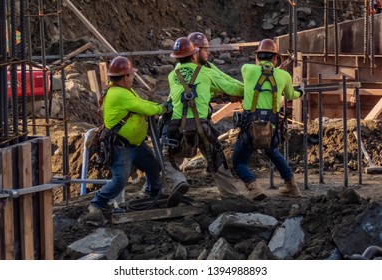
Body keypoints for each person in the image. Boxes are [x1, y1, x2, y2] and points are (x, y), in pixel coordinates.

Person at [85, 56, 168, 221]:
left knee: (153, 166)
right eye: (131, 75)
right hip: (121, 146)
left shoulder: (125, 90)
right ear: (124, 77)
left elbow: (140, 102)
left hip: (135, 144)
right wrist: (162, 108)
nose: (132, 78)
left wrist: (157, 107)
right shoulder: (118, 94)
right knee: (120, 180)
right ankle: (97, 203)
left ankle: (152, 192)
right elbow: (143, 107)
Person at [163, 37, 244, 204]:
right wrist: (249, 91)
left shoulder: (172, 75)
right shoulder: (205, 72)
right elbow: (231, 87)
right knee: (216, 157)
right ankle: (231, 196)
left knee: (169, 159)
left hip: (177, 126)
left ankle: (175, 183)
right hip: (202, 125)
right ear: (194, 55)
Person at [232, 38, 304, 199]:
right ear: (275, 58)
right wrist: (301, 91)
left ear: (257, 57)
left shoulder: (247, 69)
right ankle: (292, 186)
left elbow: (258, 74)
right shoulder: (283, 75)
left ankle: (254, 188)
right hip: (271, 127)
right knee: (271, 149)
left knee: (238, 162)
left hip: (250, 126)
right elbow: (291, 95)